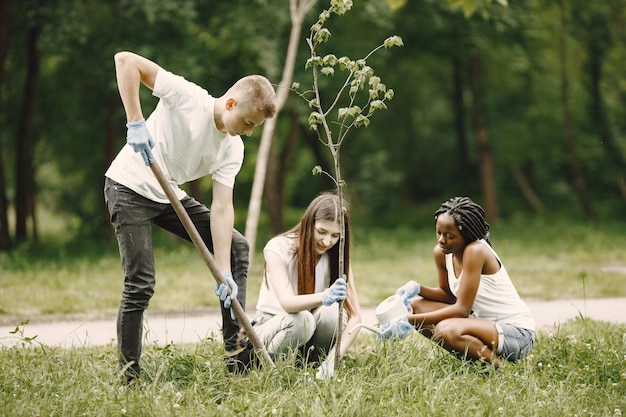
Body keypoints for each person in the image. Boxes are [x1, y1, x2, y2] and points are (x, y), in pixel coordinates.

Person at [103, 51, 277, 382]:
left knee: (237, 248)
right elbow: (126, 61)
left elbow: (223, 207)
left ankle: (236, 352)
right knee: (141, 283)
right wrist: (135, 122)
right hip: (128, 186)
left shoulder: (232, 148)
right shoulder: (187, 97)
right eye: (248, 123)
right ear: (230, 104)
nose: (249, 132)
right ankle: (130, 375)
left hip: (167, 192)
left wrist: (223, 269)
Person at [382, 197, 535, 368]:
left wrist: (408, 320)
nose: (441, 240)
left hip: (515, 334)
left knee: (446, 329)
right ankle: (476, 360)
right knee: (416, 306)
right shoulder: (442, 253)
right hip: (480, 325)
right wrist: (417, 289)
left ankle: (499, 370)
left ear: (466, 235)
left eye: (450, 236)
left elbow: (461, 309)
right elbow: (449, 297)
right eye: (439, 232)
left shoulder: (476, 251)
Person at [251, 192, 362, 380]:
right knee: (302, 320)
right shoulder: (278, 248)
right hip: (272, 326)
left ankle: (315, 369)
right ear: (309, 222)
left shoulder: (337, 257)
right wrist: (325, 296)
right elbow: (287, 303)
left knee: (331, 313)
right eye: (322, 232)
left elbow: (356, 318)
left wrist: (332, 362)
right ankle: (268, 368)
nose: (327, 242)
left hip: (308, 333)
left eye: (335, 235)